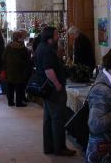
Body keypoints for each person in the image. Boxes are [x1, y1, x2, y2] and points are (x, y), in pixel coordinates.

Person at [35, 25, 76, 156]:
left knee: (49, 119)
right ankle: (60, 148)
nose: (58, 36)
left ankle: (49, 147)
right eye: (56, 35)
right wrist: (57, 83)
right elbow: (49, 70)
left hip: (46, 89)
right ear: (50, 38)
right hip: (53, 90)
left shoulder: (41, 47)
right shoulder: (47, 50)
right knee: (58, 119)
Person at [2, 31, 30, 107]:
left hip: (9, 69)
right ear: (19, 37)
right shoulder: (22, 48)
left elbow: (3, 57)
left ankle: (10, 102)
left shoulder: (8, 46)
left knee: (10, 86)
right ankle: (19, 102)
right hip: (20, 69)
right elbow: (27, 58)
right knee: (19, 86)